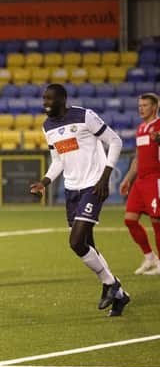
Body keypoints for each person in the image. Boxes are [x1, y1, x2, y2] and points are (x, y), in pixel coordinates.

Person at [29, 84, 130, 317]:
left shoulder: (84, 116)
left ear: (62, 99)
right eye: (43, 97)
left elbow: (115, 141)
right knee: (88, 245)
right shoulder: (47, 127)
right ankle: (120, 294)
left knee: (76, 242)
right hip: (71, 190)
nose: (45, 102)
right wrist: (44, 182)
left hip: (93, 185)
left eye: (50, 98)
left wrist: (105, 177)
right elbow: (58, 160)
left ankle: (109, 284)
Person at [119, 92, 160, 275]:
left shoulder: (158, 127)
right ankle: (150, 258)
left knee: (157, 222)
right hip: (140, 181)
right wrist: (127, 178)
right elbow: (138, 157)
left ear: (155, 107)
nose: (141, 109)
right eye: (139, 105)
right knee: (130, 220)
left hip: (155, 179)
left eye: (145, 105)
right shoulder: (141, 128)